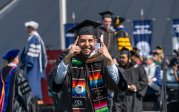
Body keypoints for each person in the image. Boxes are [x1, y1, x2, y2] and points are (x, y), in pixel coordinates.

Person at [48, 20, 127, 112]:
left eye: (90, 41)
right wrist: (67, 58)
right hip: (71, 108)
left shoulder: (102, 59)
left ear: (95, 41)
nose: (87, 44)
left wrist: (109, 60)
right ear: (76, 42)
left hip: (98, 109)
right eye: (82, 41)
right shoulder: (67, 57)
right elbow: (56, 84)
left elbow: (119, 85)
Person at [114, 47, 148, 112]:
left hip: (133, 99)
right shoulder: (117, 69)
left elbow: (144, 81)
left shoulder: (138, 68)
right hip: (119, 100)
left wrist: (136, 86)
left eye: (123, 57)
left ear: (129, 58)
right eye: (120, 57)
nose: (121, 59)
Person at [20, 21, 47, 101]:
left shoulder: (34, 38)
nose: (26, 29)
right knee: (35, 84)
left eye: (27, 28)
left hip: (33, 65)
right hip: (36, 65)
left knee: (33, 84)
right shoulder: (37, 38)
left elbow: (32, 54)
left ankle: (35, 102)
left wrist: (26, 62)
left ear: (31, 28)